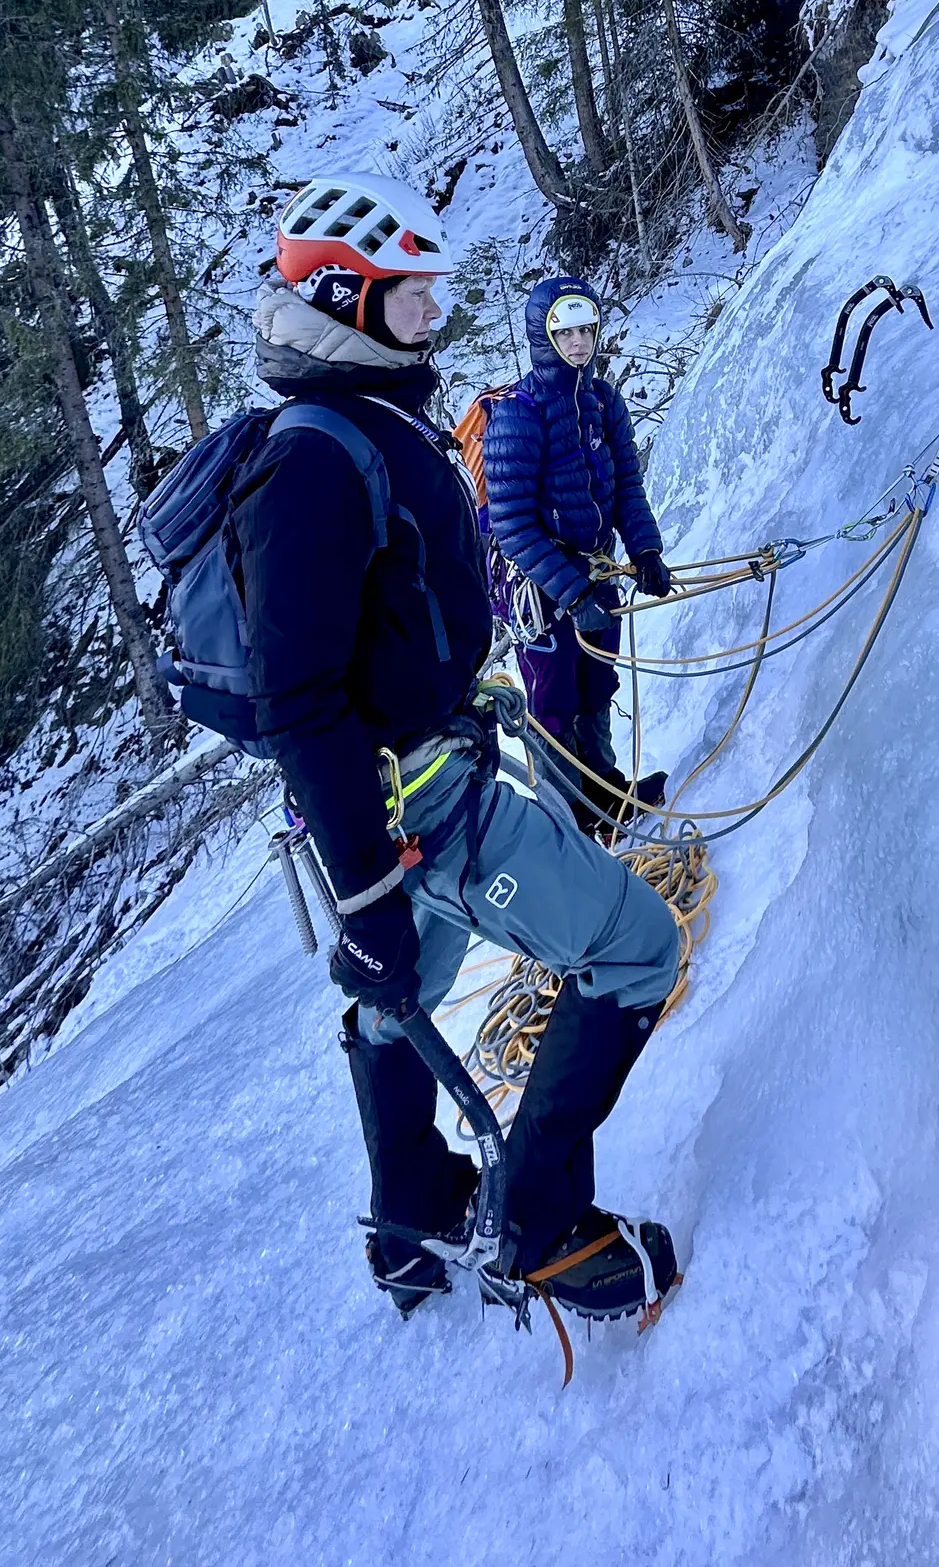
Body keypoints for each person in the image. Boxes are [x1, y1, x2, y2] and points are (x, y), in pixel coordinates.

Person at [236, 174, 679, 1323]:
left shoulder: (364, 413)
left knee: (396, 998)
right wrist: (371, 892)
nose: (434, 310)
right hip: (423, 815)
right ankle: (539, 1226)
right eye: (411, 294)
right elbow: (297, 701)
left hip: (416, 793)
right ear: (349, 300)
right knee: (634, 945)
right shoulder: (317, 460)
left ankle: (410, 1214)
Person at [483, 276, 675, 830]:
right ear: (544, 336)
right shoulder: (519, 416)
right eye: (564, 332)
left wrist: (644, 549)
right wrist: (572, 591)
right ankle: (571, 818)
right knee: (553, 699)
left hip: (599, 569)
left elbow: (627, 488)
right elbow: (512, 522)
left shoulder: (604, 401)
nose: (577, 342)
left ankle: (607, 792)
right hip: (539, 588)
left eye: (586, 329)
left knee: (598, 683)